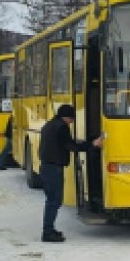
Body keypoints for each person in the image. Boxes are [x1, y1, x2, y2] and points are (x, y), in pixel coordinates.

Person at [38, 104, 103, 242]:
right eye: (71, 118)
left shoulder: (49, 125)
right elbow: (70, 146)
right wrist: (92, 145)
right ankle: (47, 232)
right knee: (54, 201)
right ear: (66, 117)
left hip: (46, 166)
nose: (72, 121)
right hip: (53, 168)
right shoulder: (61, 127)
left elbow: (62, 143)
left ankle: (49, 229)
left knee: (52, 200)